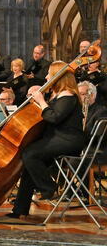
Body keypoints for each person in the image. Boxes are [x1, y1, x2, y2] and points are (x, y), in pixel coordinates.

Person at [7, 61, 85, 218]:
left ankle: (49, 187)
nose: (47, 77)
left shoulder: (68, 96)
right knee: (29, 162)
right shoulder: (58, 96)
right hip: (57, 138)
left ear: (58, 77)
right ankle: (19, 209)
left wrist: (42, 102)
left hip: (68, 140)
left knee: (30, 154)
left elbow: (54, 118)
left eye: (49, 74)